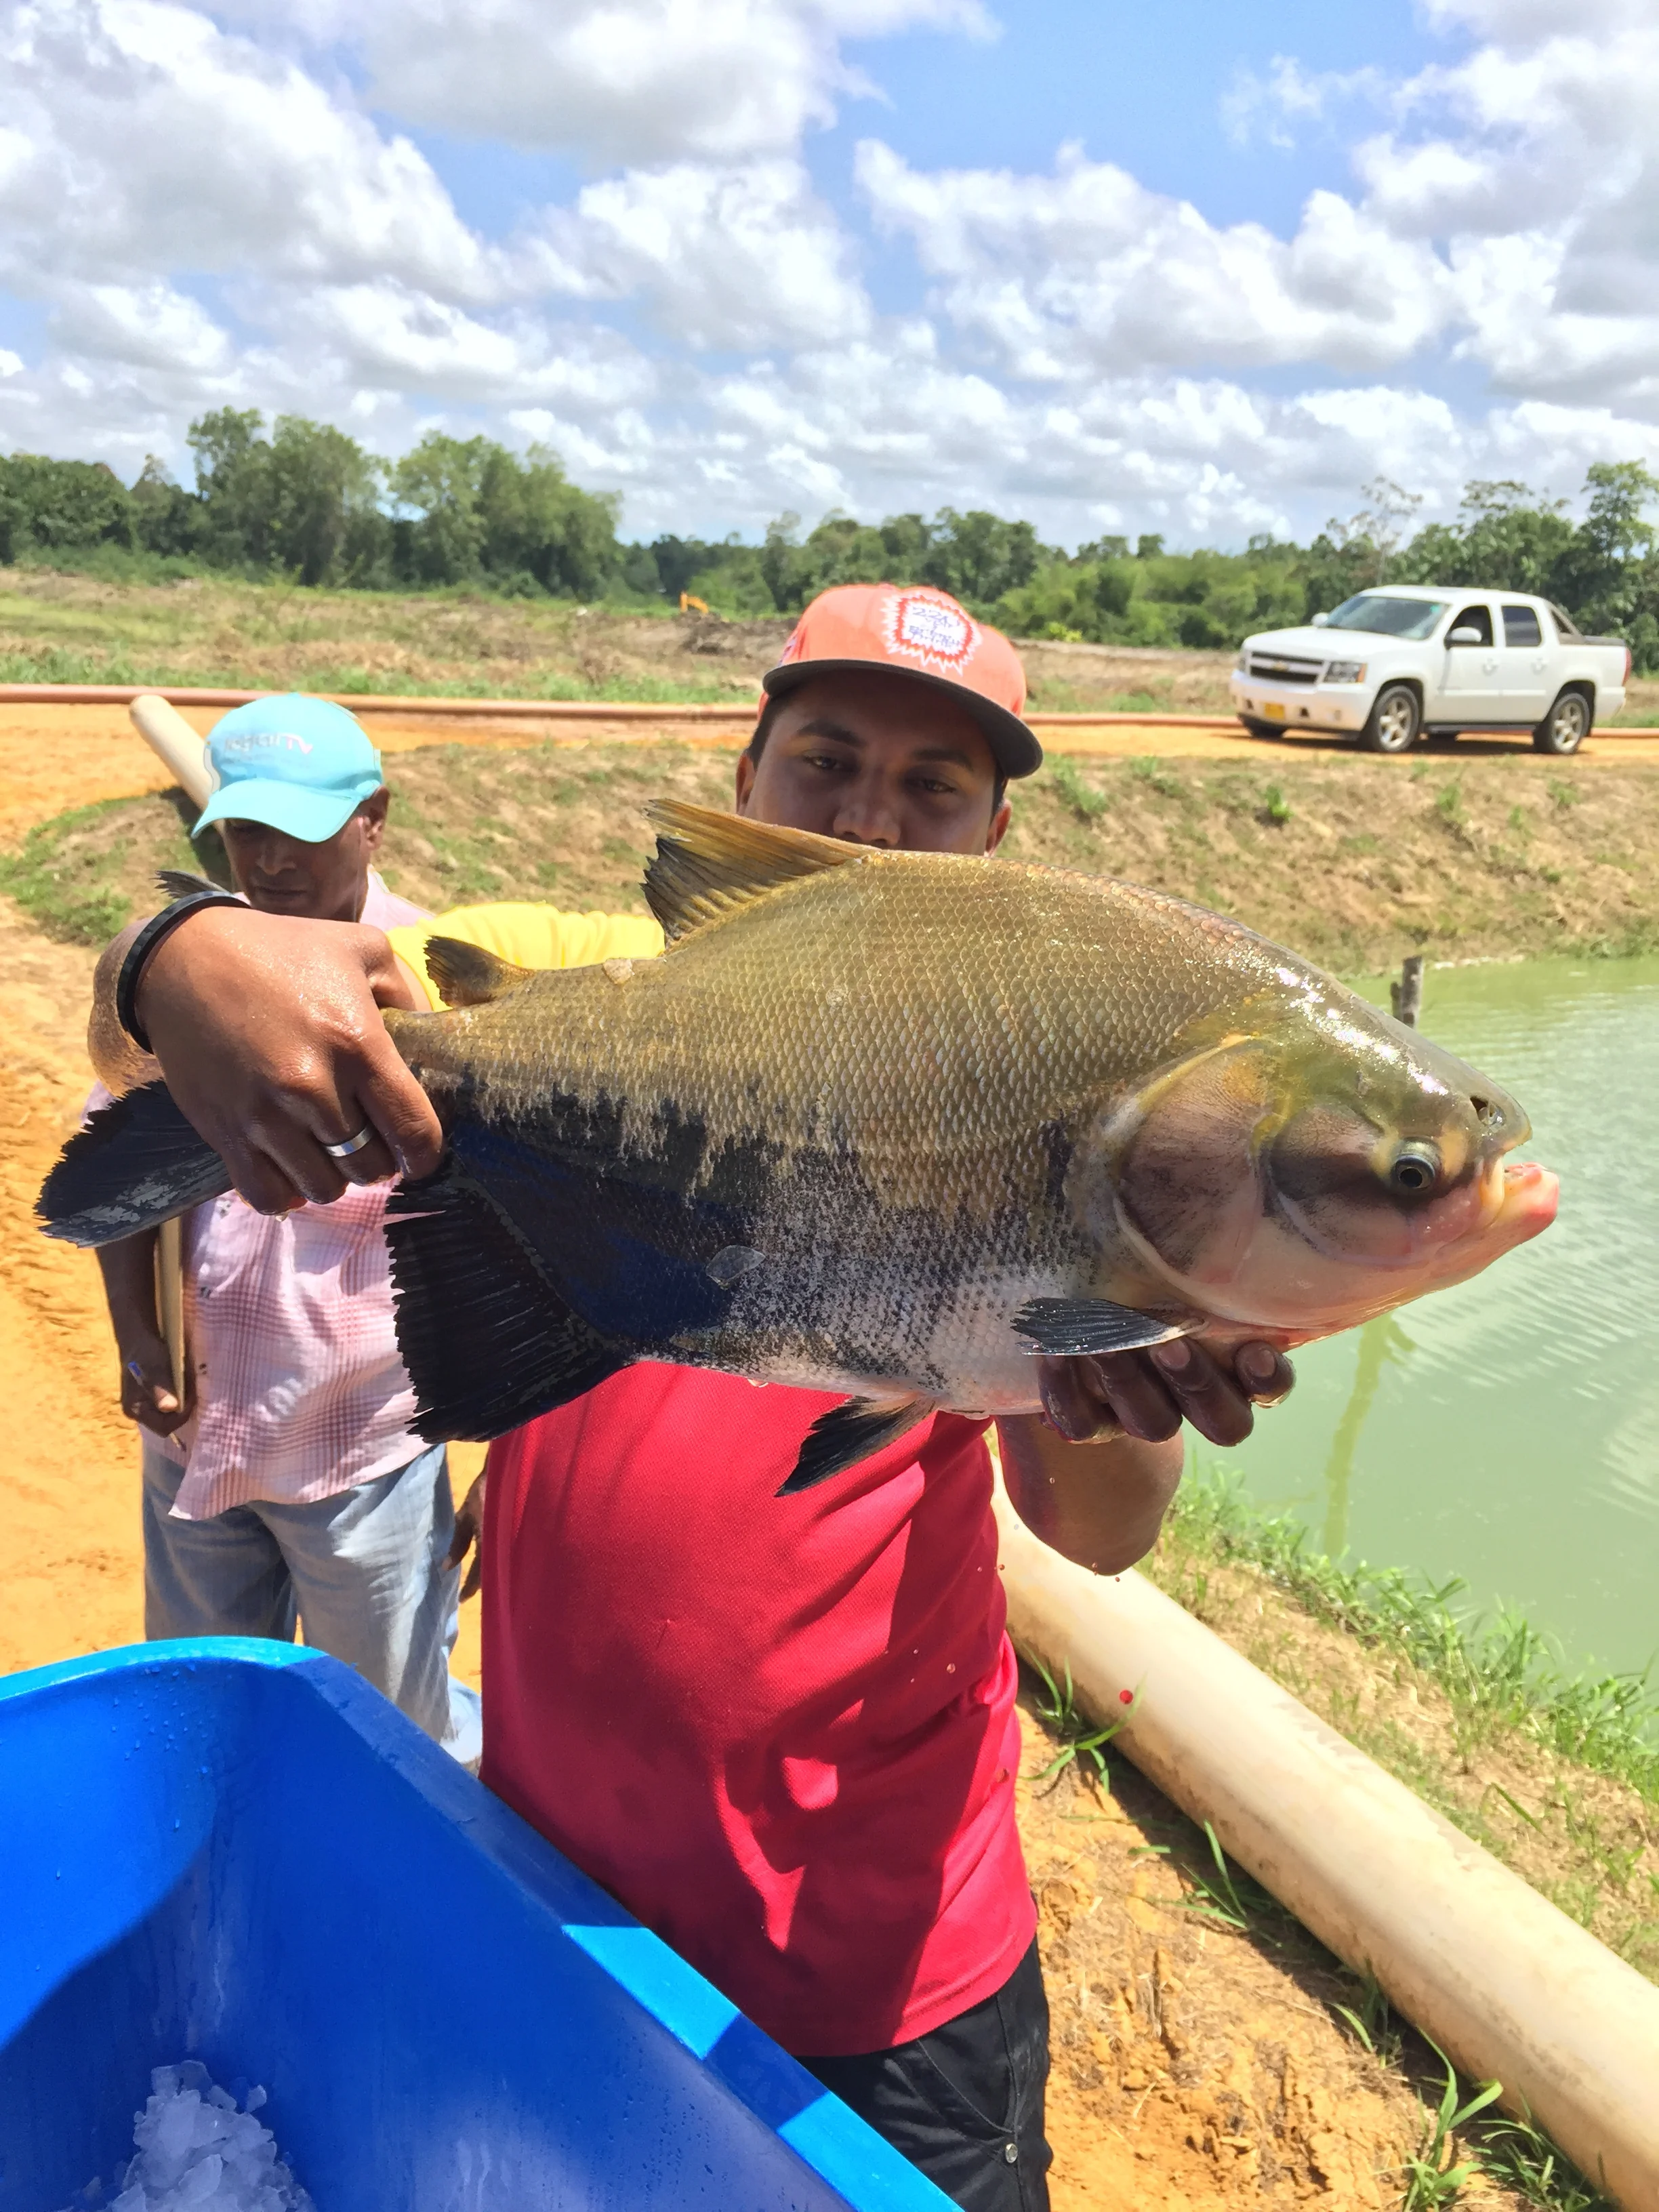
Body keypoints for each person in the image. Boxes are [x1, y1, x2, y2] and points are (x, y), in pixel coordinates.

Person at [89, 590, 1292, 2211]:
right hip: (554, 1863)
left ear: (995, 844)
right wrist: (167, 954)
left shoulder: (1047, 1098)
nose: (872, 820)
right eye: (829, 763)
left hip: (873, 1948)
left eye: (933, 789)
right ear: (748, 785)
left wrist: (1134, 1390)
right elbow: (229, 997)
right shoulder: (578, 978)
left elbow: (1096, 1534)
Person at [91, 695, 482, 1765]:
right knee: (204, 1717)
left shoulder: (431, 992)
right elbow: (120, 1162)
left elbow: (505, 1234)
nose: (269, 861)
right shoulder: (191, 979)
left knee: (388, 1741)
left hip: (362, 1450)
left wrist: (517, 1446)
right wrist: (136, 1337)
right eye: (247, 830)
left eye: (302, 831)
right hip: (195, 1436)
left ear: (373, 819)